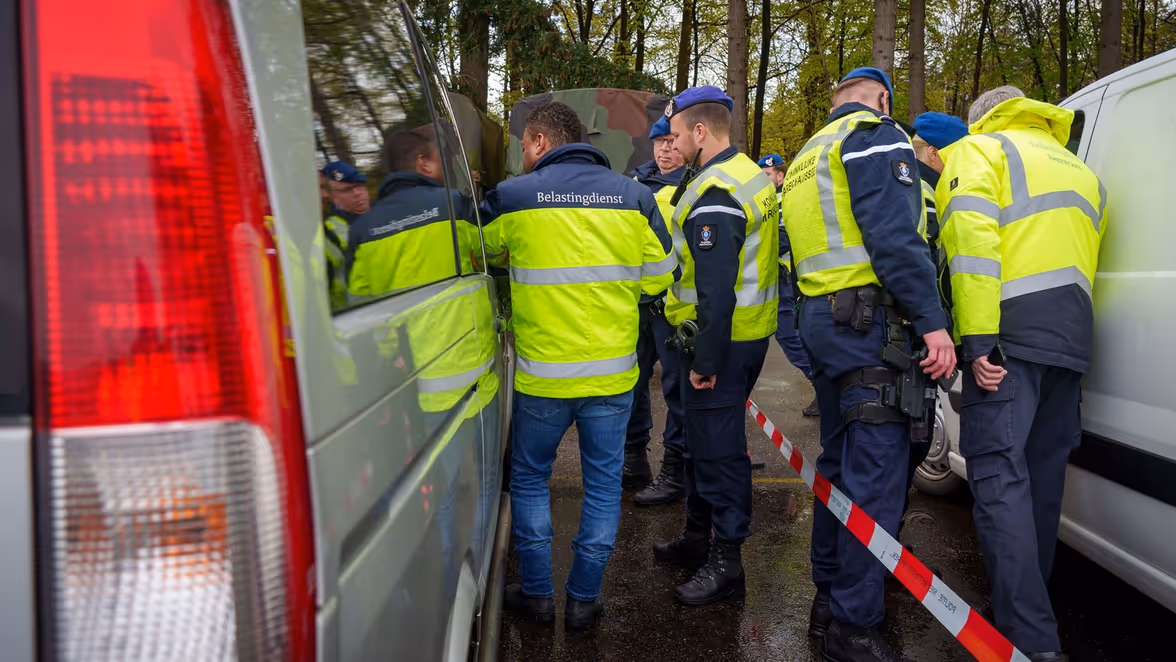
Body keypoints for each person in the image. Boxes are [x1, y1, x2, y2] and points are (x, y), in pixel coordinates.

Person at [480, 101, 678, 630]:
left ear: (542, 141)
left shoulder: (513, 199)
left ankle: (539, 597)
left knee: (528, 480)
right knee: (603, 485)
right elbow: (660, 276)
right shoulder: (635, 196)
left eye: (525, 143)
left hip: (543, 381)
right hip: (612, 379)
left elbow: (482, 251)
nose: (523, 153)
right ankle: (584, 602)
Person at [781, 67, 955, 661]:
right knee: (875, 479)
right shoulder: (876, 133)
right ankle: (853, 627)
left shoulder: (808, 154)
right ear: (881, 99)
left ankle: (828, 598)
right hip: (870, 328)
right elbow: (895, 237)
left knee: (838, 463)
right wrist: (933, 322)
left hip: (825, 326)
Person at [937, 86, 1106, 662]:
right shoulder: (1083, 171)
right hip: (1072, 338)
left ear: (978, 120)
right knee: (1040, 484)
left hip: (1007, 334)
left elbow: (971, 246)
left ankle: (1030, 643)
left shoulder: (980, 150)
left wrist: (978, 339)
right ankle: (1021, 609)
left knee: (998, 481)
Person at [652, 85, 779, 606]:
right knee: (705, 445)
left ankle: (726, 562)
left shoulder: (717, 191)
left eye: (677, 134)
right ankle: (698, 539)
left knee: (721, 453)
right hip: (740, 339)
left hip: (722, 346)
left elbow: (715, 288)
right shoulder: (744, 172)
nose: (672, 144)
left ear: (700, 132)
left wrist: (705, 361)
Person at [627, 116, 690, 506]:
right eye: (658, 143)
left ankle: (675, 468)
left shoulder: (693, 185)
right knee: (631, 380)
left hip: (673, 303)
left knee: (676, 389)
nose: (665, 149)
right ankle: (634, 457)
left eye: (671, 141)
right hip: (637, 301)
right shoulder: (634, 183)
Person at [758, 153, 819, 418]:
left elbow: (782, 238)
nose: (764, 180)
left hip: (784, 278)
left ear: (780, 176)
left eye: (767, 175)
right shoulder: (770, 199)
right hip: (779, 278)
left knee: (789, 336)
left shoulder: (783, 199)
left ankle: (823, 386)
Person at [321, 161, 370, 310]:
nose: (357, 193)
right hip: (352, 312)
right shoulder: (329, 231)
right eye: (347, 190)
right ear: (332, 196)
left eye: (360, 186)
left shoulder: (383, 214)